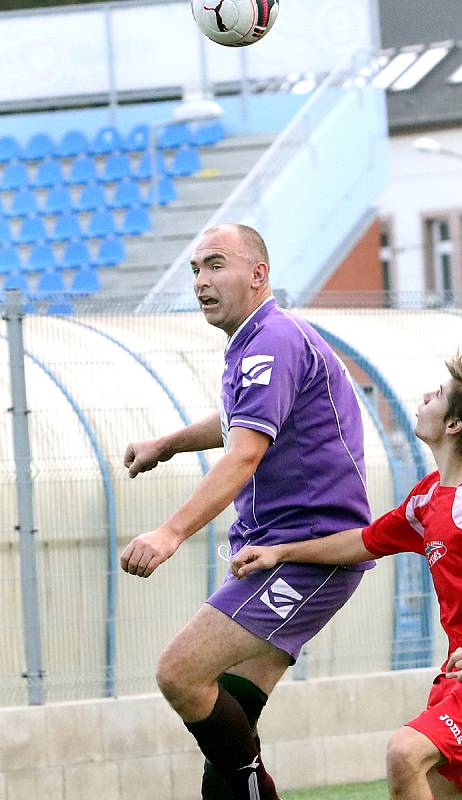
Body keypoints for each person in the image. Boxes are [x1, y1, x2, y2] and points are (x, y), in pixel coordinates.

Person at [231, 354, 462, 800]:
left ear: (453, 425)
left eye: (436, 396)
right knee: (422, 786)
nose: (424, 398)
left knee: (405, 752)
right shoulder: (430, 498)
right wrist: (280, 551)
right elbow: (366, 540)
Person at [119, 223, 373, 800]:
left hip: (310, 551)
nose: (202, 282)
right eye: (195, 270)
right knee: (231, 720)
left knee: (180, 674)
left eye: (215, 265)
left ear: (258, 274)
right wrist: (168, 443)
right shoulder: (259, 341)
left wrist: (170, 532)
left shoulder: (271, 340)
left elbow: (246, 452)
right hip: (274, 550)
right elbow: (242, 421)